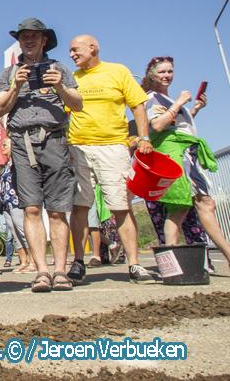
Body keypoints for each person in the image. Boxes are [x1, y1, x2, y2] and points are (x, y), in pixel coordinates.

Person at [0, 18, 82, 292]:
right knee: (31, 208)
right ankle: (41, 271)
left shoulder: (60, 69)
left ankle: (60, 270)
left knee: (57, 210)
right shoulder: (9, 72)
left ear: (44, 40)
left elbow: (78, 104)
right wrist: (15, 87)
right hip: (22, 142)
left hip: (54, 139)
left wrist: (60, 86)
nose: (29, 40)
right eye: (24, 37)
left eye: (34, 36)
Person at [66, 35, 155, 285]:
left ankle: (134, 264)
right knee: (80, 206)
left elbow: (138, 106)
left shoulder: (118, 71)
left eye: (75, 50)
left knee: (120, 206)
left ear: (92, 48)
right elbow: (64, 112)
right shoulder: (71, 79)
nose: (71, 55)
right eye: (70, 51)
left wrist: (144, 137)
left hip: (113, 146)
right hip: (80, 147)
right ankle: (79, 262)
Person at [141, 56, 230, 263]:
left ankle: (171, 263)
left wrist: (194, 110)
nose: (167, 75)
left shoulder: (166, 99)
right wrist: (180, 102)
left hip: (185, 155)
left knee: (181, 209)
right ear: (152, 75)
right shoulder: (152, 98)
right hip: (178, 157)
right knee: (200, 205)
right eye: (162, 72)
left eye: (170, 71)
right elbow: (157, 125)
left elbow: (177, 125)